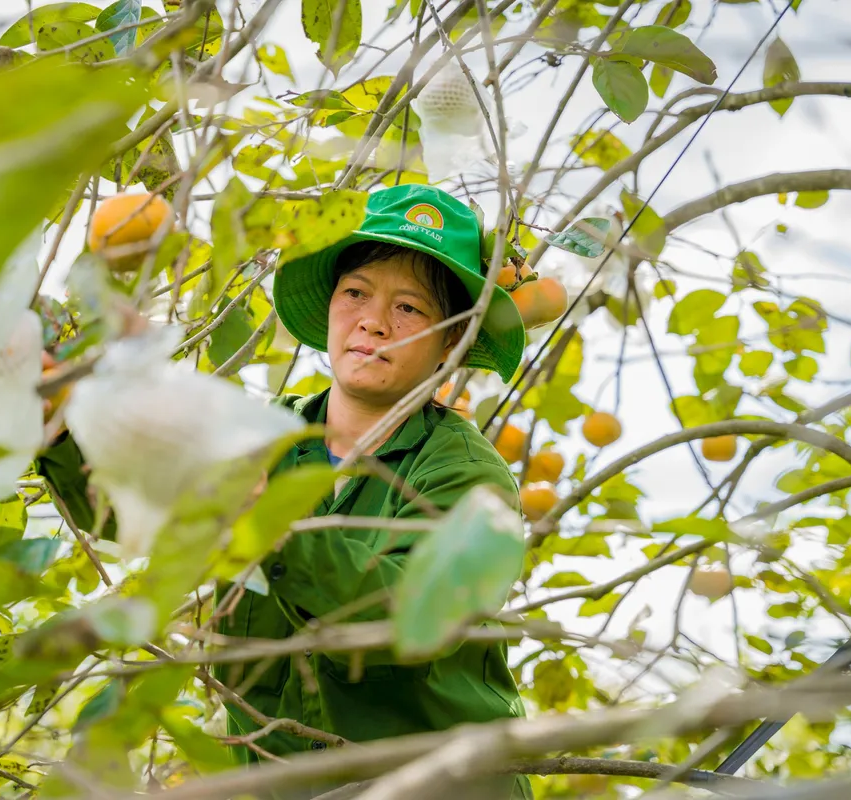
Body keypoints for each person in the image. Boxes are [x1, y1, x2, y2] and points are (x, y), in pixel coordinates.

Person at [38, 184, 532, 799]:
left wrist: (267, 521)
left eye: (409, 308)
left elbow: (403, 615)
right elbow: (138, 510)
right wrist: (58, 425)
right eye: (355, 293)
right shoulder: (261, 435)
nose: (373, 322)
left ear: (449, 345)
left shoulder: (462, 474)